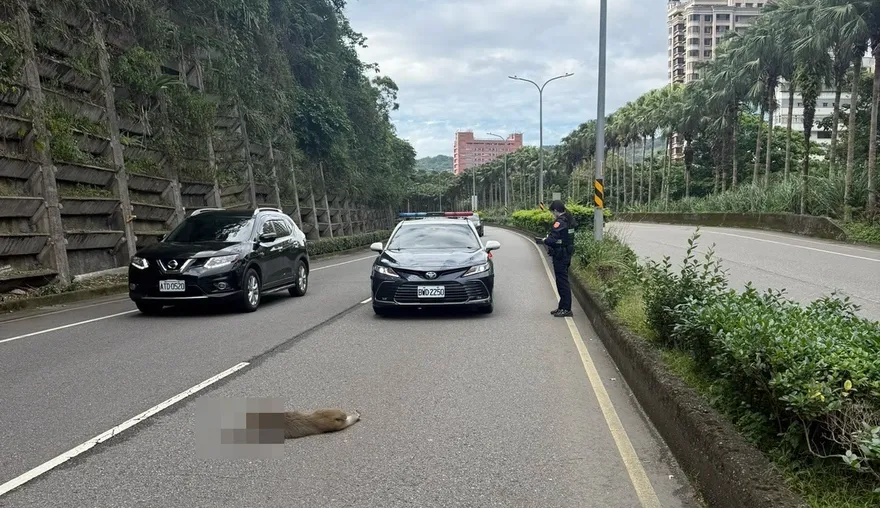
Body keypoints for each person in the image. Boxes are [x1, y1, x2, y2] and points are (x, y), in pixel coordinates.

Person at [536, 200, 576, 317]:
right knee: (562, 281)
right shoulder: (569, 219)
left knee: (562, 282)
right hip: (566, 254)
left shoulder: (560, 222)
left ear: (555, 210)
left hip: (560, 255)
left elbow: (553, 239)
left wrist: (545, 240)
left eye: (553, 212)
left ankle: (566, 309)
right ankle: (562, 306)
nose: (553, 215)